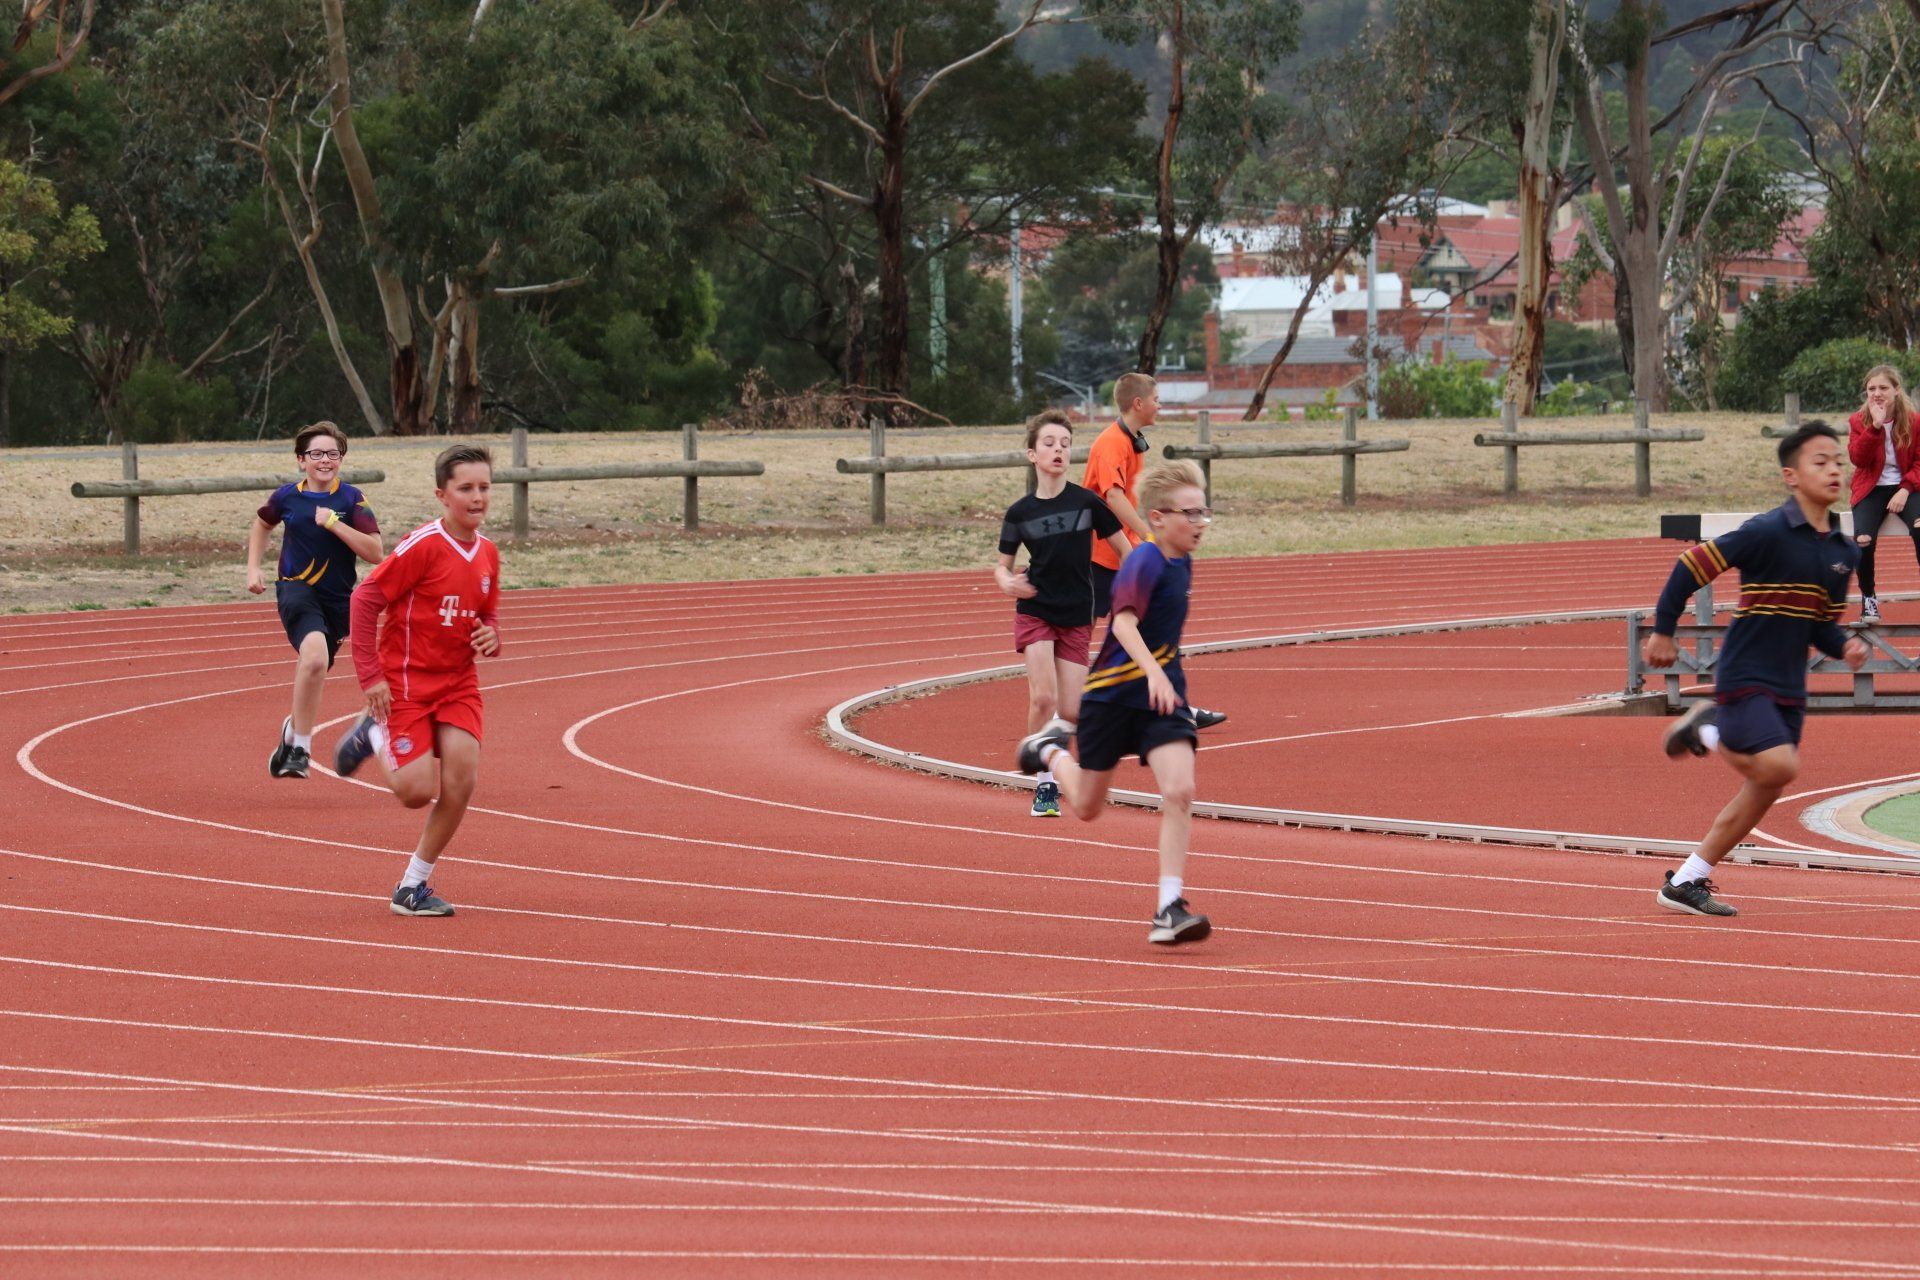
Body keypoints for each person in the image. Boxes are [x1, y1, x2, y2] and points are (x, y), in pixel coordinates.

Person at [1645, 422, 1867, 917]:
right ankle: (1707, 729)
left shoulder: (1842, 551)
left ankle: (1686, 881)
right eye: (1820, 461)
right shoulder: (1766, 532)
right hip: (1746, 676)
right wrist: (1662, 630)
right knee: (1781, 766)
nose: (1834, 470)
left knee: (1767, 785)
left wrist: (1845, 644)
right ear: (1791, 475)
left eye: (1839, 461)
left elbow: (1818, 624)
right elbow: (1690, 566)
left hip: (1791, 688)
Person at [1015, 460, 1214, 945]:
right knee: (1085, 806)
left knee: (1181, 790)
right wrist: (1152, 674)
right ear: (1159, 517)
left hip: (1161, 699)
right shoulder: (1144, 561)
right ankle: (1048, 750)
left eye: (1204, 511)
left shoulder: (1184, 561)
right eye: (1190, 513)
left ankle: (1169, 907)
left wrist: (1165, 682)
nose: (1200, 522)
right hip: (1111, 698)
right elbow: (1122, 624)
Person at [335, 444, 502, 918]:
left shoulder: (488, 553)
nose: (477, 497)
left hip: (458, 684)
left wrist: (492, 636)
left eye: (484, 487)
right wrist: (370, 678)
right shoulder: (423, 546)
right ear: (442, 495)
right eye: (465, 488)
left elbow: (486, 615)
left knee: (462, 780)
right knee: (414, 792)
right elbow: (365, 599)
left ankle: (413, 886)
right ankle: (371, 729)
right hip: (405, 684)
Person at [996, 409, 1131, 817]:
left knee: (1071, 710)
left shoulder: (1088, 503)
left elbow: (1125, 551)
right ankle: (1045, 787)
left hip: (1077, 613)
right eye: (1049, 444)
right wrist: (1006, 582)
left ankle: (1047, 755)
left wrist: (1139, 587)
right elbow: (1002, 565)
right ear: (1032, 455)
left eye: (1065, 444)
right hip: (1035, 607)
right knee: (1045, 697)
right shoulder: (1020, 513)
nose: (1058, 450)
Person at [1083, 373, 1227, 731]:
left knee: (1155, 628)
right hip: (1102, 554)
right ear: (1138, 403)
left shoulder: (1131, 441)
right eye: (1157, 399)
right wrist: (1147, 537)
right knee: (1081, 636)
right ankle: (1066, 714)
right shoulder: (1111, 443)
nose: (1160, 405)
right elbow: (1112, 496)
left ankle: (1176, 705)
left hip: (1126, 552)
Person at [246, 422, 384, 779]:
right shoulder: (287, 497)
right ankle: (300, 751)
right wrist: (253, 569)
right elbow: (262, 524)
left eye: (333, 454)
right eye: (317, 454)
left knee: (317, 667)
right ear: (301, 460)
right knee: (314, 658)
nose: (325, 460)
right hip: (296, 589)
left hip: (338, 602)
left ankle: (292, 730)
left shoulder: (353, 499)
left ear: (341, 459)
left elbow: (376, 552)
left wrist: (336, 524)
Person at [1845, 363, 1920, 621]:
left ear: (1896, 390)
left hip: (1908, 487)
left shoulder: (1913, 420)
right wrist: (1874, 427)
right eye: (1871, 388)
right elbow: (1858, 459)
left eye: (1883, 388)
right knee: (1863, 539)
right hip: (1871, 487)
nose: (1877, 393)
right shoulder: (1858, 420)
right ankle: (1869, 598)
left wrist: (1905, 489)